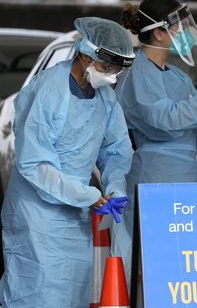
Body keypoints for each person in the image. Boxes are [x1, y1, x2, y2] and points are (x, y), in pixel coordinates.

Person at [0, 17, 135, 307]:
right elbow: (34, 164)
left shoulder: (104, 97)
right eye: (107, 67)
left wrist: (114, 187)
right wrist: (87, 195)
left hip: (74, 216)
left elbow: (116, 149)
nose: (111, 75)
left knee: (72, 291)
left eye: (116, 70)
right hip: (36, 214)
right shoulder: (50, 89)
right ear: (86, 56)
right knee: (36, 290)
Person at [113, 0, 197, 286]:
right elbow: (165, 121)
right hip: (153, 178)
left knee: (182, 266)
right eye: (179, 27)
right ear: (158, 32)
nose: (185, 34)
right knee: (152, 266)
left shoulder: (179, 77)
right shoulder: (136, 73)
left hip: (187, 179)